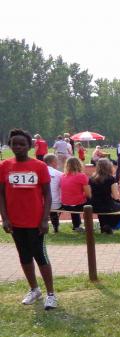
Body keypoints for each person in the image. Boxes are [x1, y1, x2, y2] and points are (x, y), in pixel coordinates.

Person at [0, 128, 57, 309]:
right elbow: (1, 194)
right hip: (15, 221)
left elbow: (47, 194)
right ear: (10, 145)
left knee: (40, 256)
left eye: (22, 144)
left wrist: (45, 219)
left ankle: (51, 294)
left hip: (35, 221)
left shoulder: (39, 166)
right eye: (14, 144)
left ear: (29, 146)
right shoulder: (4, 166)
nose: (18, 147)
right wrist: (5, 218)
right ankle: (34, 289)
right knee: (24, 256)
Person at [90, 158, 120, 234]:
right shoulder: (111, 179)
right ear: (109, 167)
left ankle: (103, 228)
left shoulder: (91, 179)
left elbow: (89, 193)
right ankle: (109, 225)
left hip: (94, 205)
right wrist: (116, 188)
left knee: (102, 210)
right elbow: (116, 196)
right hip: (107, 204)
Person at [60, 156, 91, 232]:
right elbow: (88, 194)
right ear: (79, 165)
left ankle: (76, 225)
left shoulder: (63, 176)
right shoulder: (81, 176)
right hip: (77, 205)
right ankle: (88, 225)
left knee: (73, 200)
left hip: (65, 204)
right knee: (90, 200)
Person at [43, 154, 63, 233]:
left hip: (40, 203)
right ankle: (55, 226)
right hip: (55, 204)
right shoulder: (59, 174)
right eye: (56, 161)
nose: (57, 163)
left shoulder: (38, 172)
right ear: (53, 162)